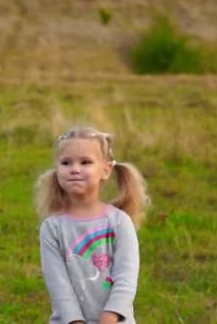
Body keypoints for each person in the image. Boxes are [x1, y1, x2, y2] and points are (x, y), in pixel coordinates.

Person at [35, 126, 150, 324]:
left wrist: (111, 316)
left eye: (85, 162)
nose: (75, 169)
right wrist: (74, 320)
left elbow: (126, 276)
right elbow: (58, 283)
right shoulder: (52, 228)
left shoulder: (119, 222)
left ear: (106, 169)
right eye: (66, 162)